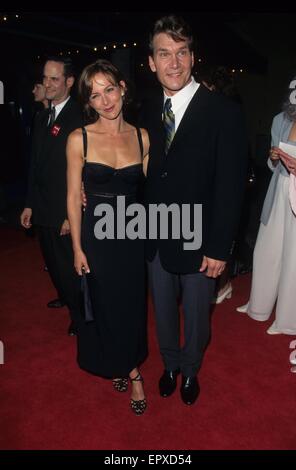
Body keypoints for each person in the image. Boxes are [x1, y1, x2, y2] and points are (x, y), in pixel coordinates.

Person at [141, 15, 248, 405]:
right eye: (164, 54)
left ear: (192, 57)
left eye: (181, 53)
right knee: (164, 312)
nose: (174, 63)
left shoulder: (223, 112)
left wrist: (220, 247)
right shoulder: (145, 110)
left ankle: (190, 369)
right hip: (153, 234)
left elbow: (231, 186)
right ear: (151, 62)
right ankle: (169, 364)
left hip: (202, 239)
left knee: (199, 319)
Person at [66, 59, 149, 415]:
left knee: (130, 305)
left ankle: (127, 366)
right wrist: (77, 248)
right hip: (96, 237)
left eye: (109, 89)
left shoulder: (143, 137)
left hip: (130, 236)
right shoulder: (78, 138)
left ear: (122, 88)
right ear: (89, 101)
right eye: (95, 95)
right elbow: (72, 195)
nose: (105, 100)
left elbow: (147, 192)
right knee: (103, 304)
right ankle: (129, 370)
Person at [20, 57, 83, 335]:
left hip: (65, 209)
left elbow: (84, 171)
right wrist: (29, 204)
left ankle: (81, 316)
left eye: (54, 78)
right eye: (45, 78)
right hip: (43, 207)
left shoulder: (80, 116)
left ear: (69, 81)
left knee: (70, 269)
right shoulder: (42, 114)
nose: (47, 83)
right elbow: (35, 162)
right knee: (54, 266)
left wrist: (72, 215)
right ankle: (69, 300)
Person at [237, 77, 296, 335]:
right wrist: (273, 157)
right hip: (278, 190)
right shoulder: (279, 120)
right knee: (266, 249)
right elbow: (272, 166)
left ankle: (286, 320)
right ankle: (258, 306)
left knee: (292, 257)